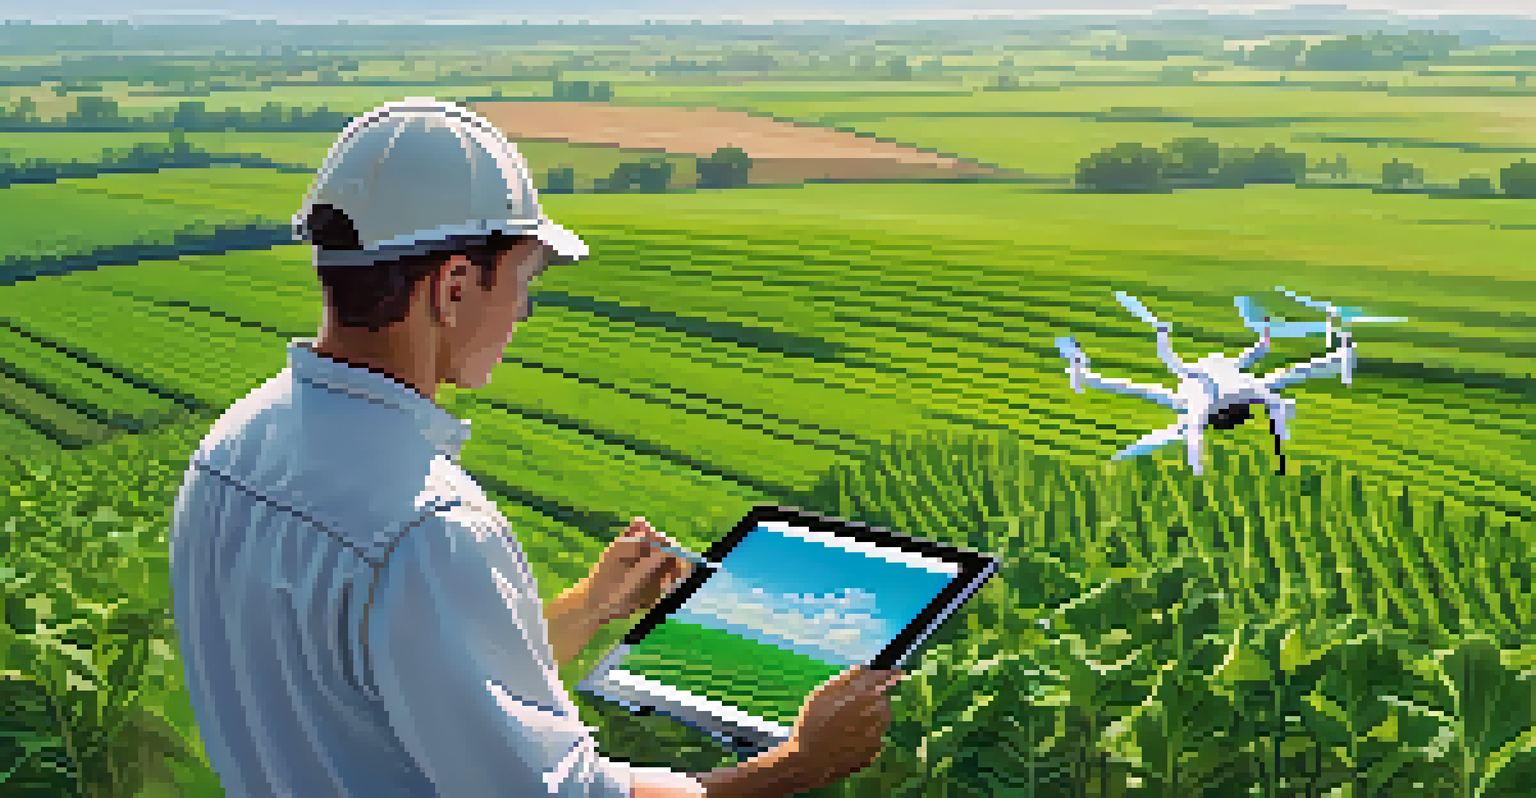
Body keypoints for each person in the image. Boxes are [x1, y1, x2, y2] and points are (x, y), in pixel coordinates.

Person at [167, 97, 906, 798]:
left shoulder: (231, 447)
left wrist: (586, 608)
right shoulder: (429, 527)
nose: (522, 310)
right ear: (454, 287)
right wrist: (800, 762)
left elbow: (406, 707)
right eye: (524, 280)